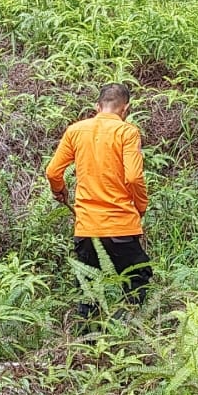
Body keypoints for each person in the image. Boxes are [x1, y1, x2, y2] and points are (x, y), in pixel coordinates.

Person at [45, 83, 152, 316]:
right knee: (137, 280)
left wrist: (59, 190)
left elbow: (53, 172)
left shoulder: (75, 131)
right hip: (121, 226)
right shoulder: (127, 132)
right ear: (126, 109)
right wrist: (141, 207)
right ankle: (130, 335)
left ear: (97, 106)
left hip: (87, 228)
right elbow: (133, 177)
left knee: (89, 289)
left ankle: (86, 344)